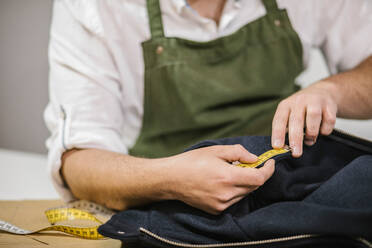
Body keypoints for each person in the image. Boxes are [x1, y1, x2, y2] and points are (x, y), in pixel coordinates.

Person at [44, 0, 372, 214]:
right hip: (163, 202)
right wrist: (168, 178)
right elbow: (78, 165)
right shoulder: (94, 7)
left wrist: (331, 90)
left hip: (287, 191)